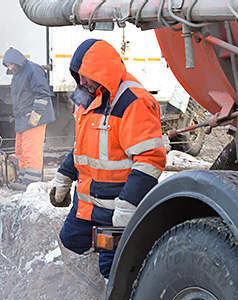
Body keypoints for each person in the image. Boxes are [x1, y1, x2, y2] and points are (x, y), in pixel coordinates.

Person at [50, 39, 166, 279]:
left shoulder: (134, 102)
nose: (81, 82)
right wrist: (63, 176)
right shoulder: (88, 96)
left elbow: (150, 159)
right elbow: (82, 146)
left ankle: (131, 280)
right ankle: (120, 253)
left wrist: (128, 206)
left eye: (86, 76)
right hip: (90, 204)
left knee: (112, 268)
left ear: (102, 73)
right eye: (78, 75)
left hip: (117, 204)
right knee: (71, 239)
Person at [2, 47, 56, 188]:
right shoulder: (18, 74)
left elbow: (43, 93)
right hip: (23, 119)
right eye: (8, 66)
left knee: (31, 150)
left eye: (10, 64)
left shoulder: (32, 70)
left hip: (34, 119)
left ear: (16, 61)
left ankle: (32, 182)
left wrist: (36, 113)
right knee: (21, 150)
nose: (10, 68)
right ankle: (24, 179)